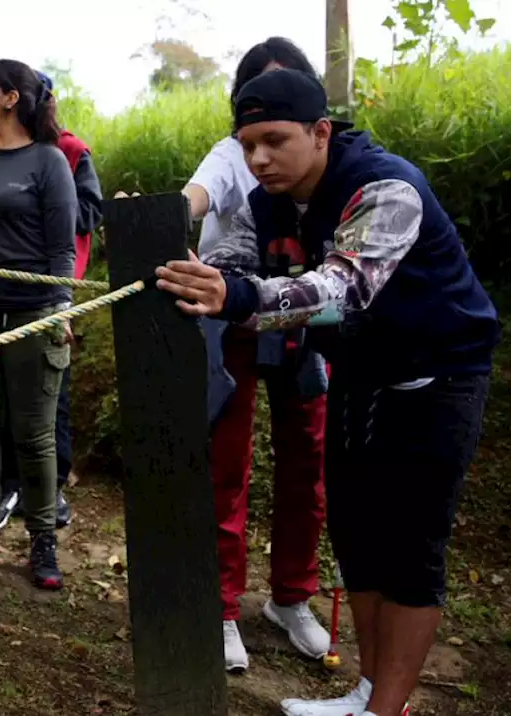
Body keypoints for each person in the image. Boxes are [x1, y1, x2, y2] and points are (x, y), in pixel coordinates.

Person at [155, 68, 500, 716]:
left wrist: (237, 295)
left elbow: (343, 287)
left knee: (410, 548)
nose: (259, 158)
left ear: (320, 132)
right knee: (359, 534)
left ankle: (383, 710)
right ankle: (368, 692)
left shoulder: (384, 187)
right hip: (361, 375)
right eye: (247, 142)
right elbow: (240, 264)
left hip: (437, 377)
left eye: (275, 140)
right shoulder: (271, 199)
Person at [180, 38, 331, 674]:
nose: (261, 152)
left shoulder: (327, 165)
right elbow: (201, 194)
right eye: (254, 95)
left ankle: (293, 597)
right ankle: (219, 607)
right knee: (227, 461)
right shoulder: (233, 154)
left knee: (309, 456)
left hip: (301, 310)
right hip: (231, 313)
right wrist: (169, 216)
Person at [0, 59, 78, 591]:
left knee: (33, 434)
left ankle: (43, 541)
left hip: (32, 314)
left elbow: (62, 250)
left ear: (10, 98)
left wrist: (60, 310)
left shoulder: (50, 163)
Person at [0, 69, 103, 531]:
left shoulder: (72, 151)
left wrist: (48, 205)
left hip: (52, 286)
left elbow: (91, 212)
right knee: (2, 390)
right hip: (3, 284)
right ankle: (8, 485)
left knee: (48, 392)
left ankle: (51, 486)